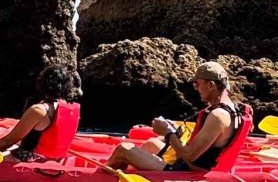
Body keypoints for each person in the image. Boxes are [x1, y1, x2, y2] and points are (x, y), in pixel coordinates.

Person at [104, 61, 251, 172]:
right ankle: (129, 173)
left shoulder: (218, 116)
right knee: (151, 144)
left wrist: (168, 133)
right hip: (193, 165)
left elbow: (189, 156)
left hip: (186, 172)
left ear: (211, 85)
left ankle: (102, 178)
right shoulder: (234, 108)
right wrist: (173, 133)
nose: (196, 88)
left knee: (123, 149)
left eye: (197, 84)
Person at [0, 72, 80, 164]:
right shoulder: (72, 109)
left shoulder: (39, 110)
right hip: (57, 159)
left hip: (32, 158)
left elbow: (9, 140)